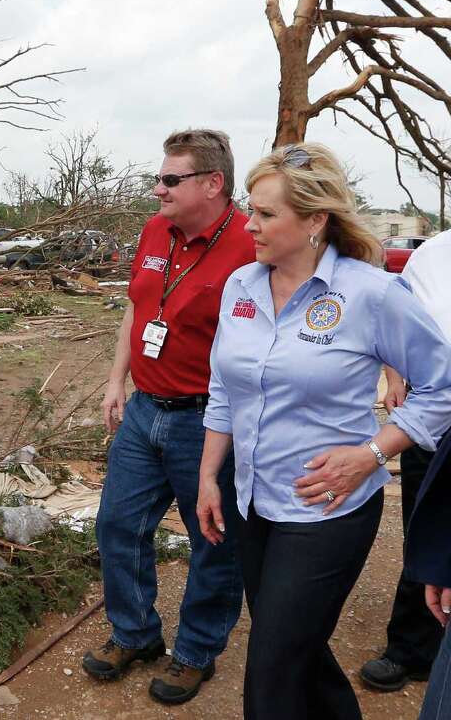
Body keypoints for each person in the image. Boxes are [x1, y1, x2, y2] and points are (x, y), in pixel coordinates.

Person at [197, 143, 451, 720]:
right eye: (250, 210)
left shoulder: (373, 293)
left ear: (314, 220)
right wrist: (210, 475)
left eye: (265, 214)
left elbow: (443, 388)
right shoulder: (241, 286)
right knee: (297, 652)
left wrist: (371, 454)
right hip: (252, 502)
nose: (249, 225)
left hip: (326, 511)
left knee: (271, 670)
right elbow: (223, 389)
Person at [83, 129, 254, 705]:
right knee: (118, 524)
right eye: (158, 178)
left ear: (213, 184)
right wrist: (116, 379)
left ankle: (197, 651)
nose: (158, 190)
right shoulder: (156, 230)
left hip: (208, 421)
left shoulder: (250, 244)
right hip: (144, 410)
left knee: (212, 540)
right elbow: (138, 305)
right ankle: (134, 634)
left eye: (170, 180)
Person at [360, 230, 449, 692]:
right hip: (435, 419)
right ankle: (412, 648)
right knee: (425, 531)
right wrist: (394, 377)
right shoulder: (431, 256)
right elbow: (393, 328)